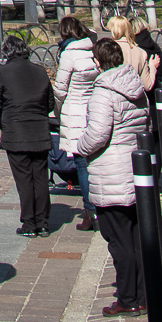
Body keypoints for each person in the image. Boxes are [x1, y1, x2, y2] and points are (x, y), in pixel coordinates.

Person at [81, 37, 150, 316]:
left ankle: (129, 297)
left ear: (98, 62)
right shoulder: (134, 85)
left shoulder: (103, 91)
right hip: (134, 168)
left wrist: (80, 146)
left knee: (118, 239)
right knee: (134, 237)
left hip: (111, 172)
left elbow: (97, 135)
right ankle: (143, 293)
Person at [0, 34, 56, 237]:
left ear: (6, 52)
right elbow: (50, 102)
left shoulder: (3, 72)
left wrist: (2, 123)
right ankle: (42, 222)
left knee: (24, 180)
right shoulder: (40, 71)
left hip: (16, 132)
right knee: (40, 177)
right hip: (39, 130)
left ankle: (29, 223)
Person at [52, 16, 99, 232]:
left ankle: (91, 211)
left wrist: (58, 111)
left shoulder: (68, 54)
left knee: (81, 163)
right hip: (95, 108)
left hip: (75, 111)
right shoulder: (92, 49)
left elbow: (60, 88)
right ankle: (100, 207)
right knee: (96, 161)